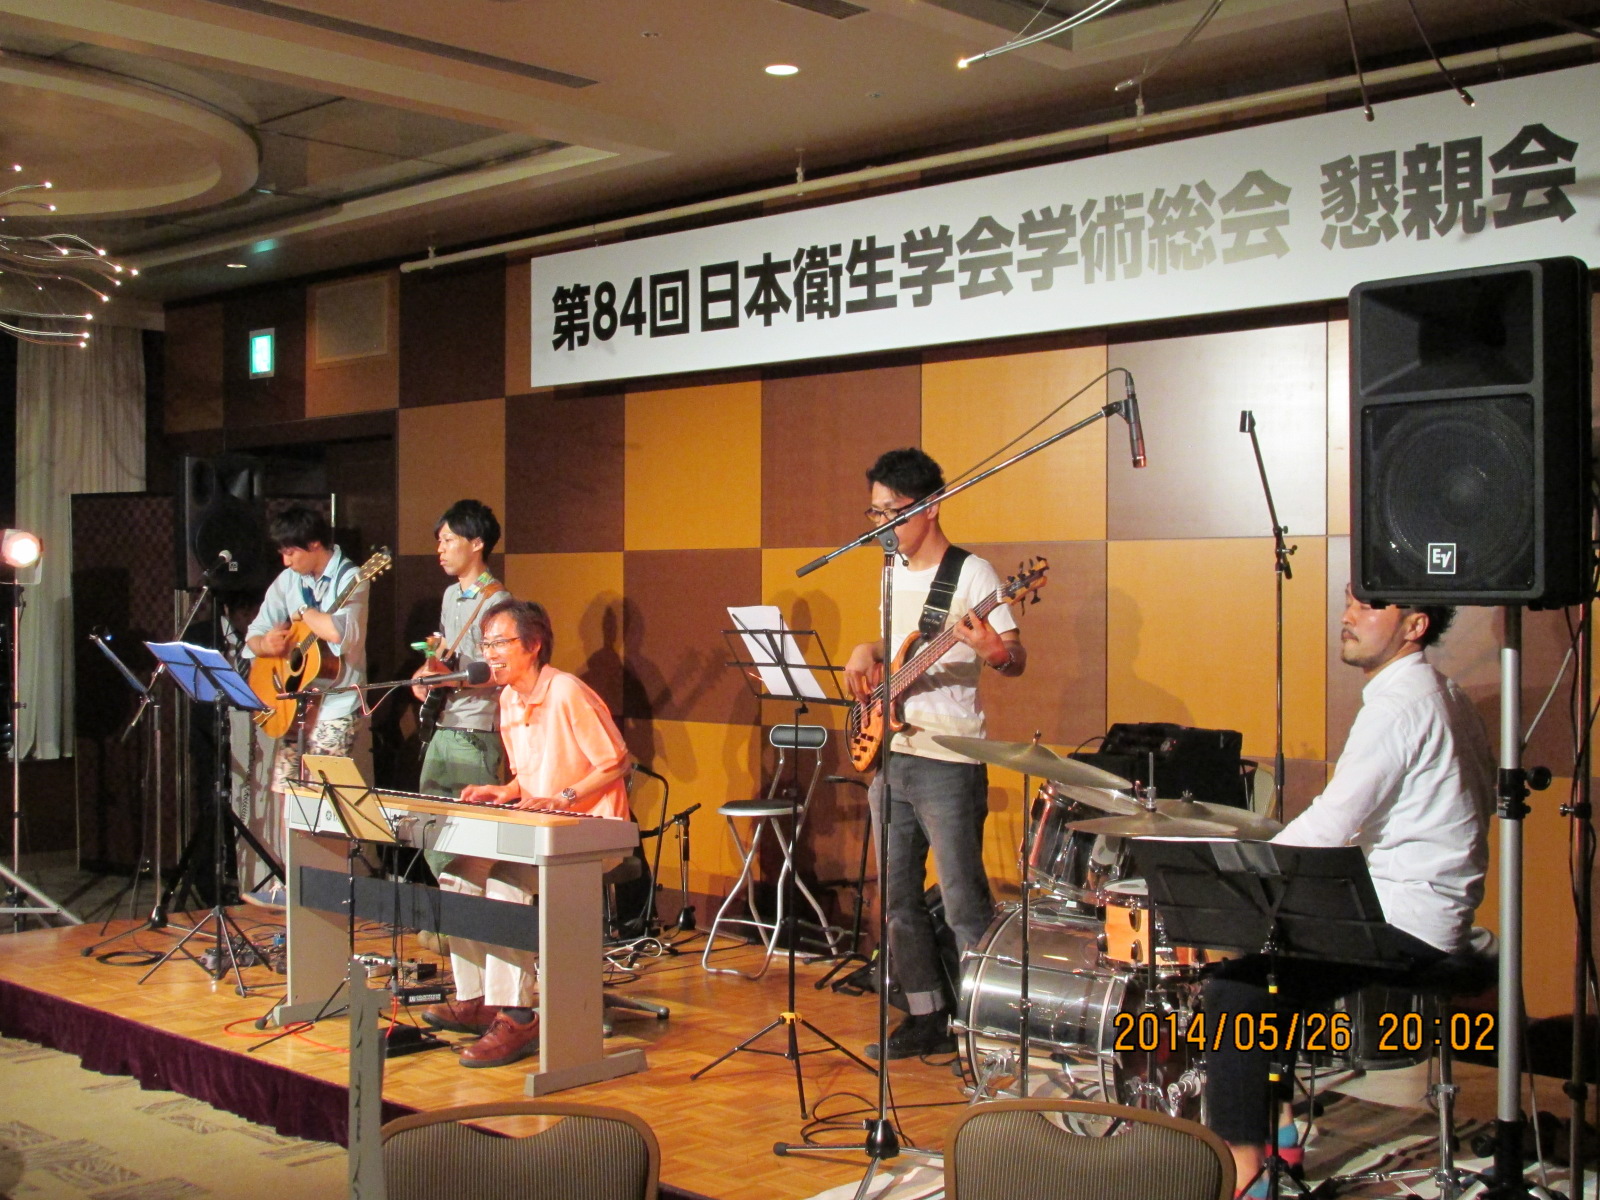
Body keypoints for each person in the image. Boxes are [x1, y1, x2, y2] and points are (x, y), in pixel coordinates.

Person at [1203, 589, 1494, 1191]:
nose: (1347, 617)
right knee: (1269, 963)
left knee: (1236, 990)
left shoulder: (1400, 705)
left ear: (1414, 625)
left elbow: (1330, 826)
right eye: (1348, 603)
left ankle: (1243, 1169)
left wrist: (1237, 876)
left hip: (1408, 918)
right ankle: (1281, 1135)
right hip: (1431, 906)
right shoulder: (1445, 692)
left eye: (1369, 608)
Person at [842, 447, 1026, 1060]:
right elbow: (899, 647)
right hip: (892, 753)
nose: (883, 525)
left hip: (949, 761)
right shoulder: (891, 570)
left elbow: (1013, 657)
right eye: (875, 513)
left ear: (930, 506)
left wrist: (993, 651)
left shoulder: (974, 574)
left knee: (965, 904)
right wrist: (867, 650)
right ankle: (925, 1014)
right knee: (896, 902)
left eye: (892, 512)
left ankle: (984, 1029)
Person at [420, 600, 632, 1067]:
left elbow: (617, 761)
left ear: (533, 645)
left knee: (506, 881)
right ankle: (478, 999)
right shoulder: (509, 699)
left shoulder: (566, 690)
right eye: (486, 644)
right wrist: (505, 790)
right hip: (541, 829)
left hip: (592, 830)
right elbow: (528, 775)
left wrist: (565, 797)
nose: (490, 654)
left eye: (500, 642)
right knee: (457, 875)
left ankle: (518, 1015)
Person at [241, 506, 368, 907]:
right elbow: (253, 637)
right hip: (294, 705)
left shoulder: (352, 577)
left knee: (322, 796)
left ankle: (326, 889)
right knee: (288, 791)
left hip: (335, 704)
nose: (286, 561)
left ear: (314, 544)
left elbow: (341, 636)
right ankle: (291, 883)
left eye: (291, 552)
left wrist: (306, 613)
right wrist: (267, 645)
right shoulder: (288, 581)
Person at [410, 499, 513, 801]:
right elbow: (445, 646)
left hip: (475, 728)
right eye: (439, 542)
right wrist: (425, 672)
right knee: (431, 818)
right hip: (443, 721)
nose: (440, 550)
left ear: (477, 543)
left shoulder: (497, 601)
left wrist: (448, 679)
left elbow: (502, 670)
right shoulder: (450, 594)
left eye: (448, 540)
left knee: (475, 819)